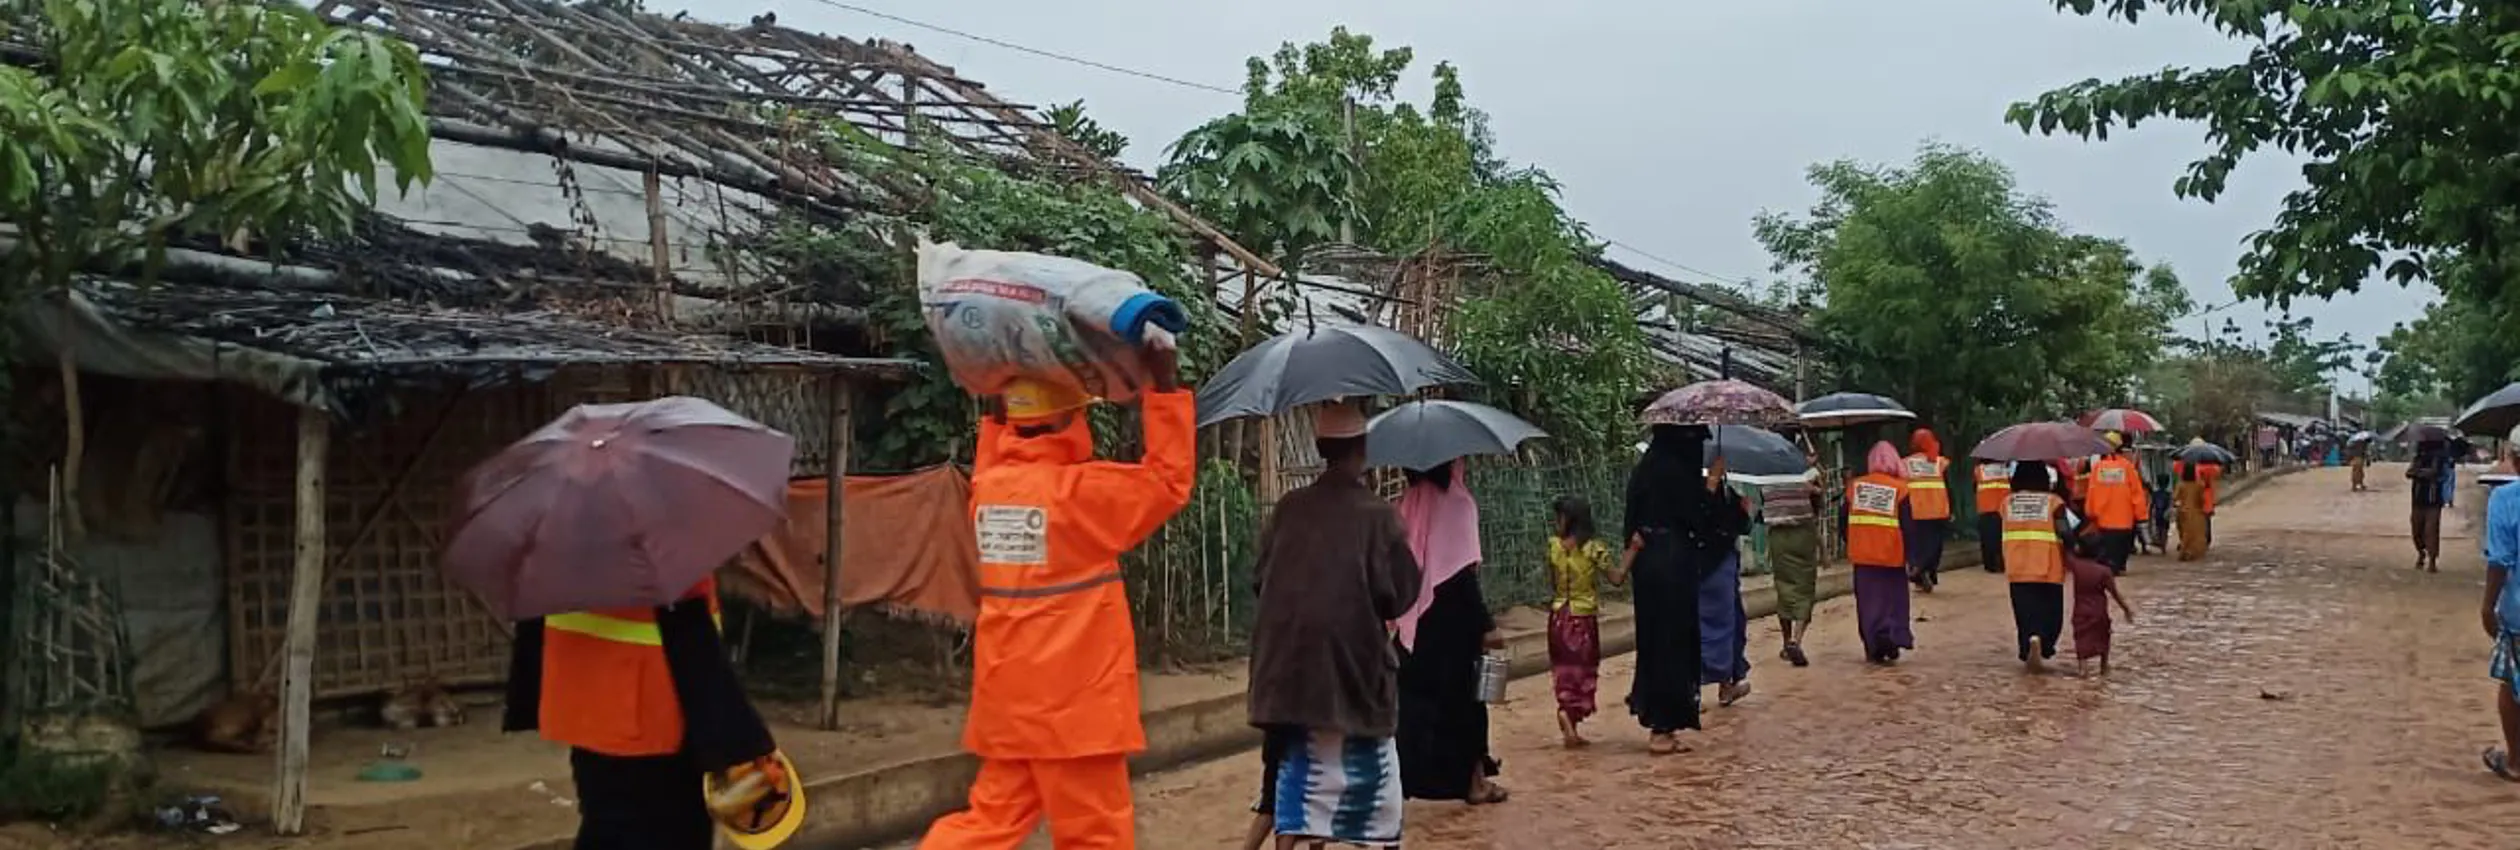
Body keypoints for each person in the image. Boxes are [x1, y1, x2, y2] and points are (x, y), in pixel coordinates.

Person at [922, 351, 1194, 849]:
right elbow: (1168, 481)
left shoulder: (989, 489)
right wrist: (1165, 385)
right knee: (1095, 836)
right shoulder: (1080, 495)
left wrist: (997, 396)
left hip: (1008, 699)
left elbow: (994, 451)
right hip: (1075, 708)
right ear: (1072, 418)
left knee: (986, 825)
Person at [506, 575, 795, 850]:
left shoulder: (558, 533)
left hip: (584, 701)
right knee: (662, 829)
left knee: (607, 823)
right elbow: (688, 624)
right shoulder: (658, 538)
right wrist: (738, 739)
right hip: (651, 710)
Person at [1243, 403, 1420, 849]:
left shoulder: (1288, 508)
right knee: (1379, 797)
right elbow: (1401, 592)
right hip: (1353, 679)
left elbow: (1259, 580)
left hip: (1286, 680)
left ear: (1321, 449)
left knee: (1295, 787)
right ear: (1363, 449)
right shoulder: (1378, 515)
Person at [1394, 461, 1508, 805]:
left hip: (1415, 621)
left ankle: (1400, 786)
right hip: (1455, 623)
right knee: (1467, 705)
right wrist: (1487, 625)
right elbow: (1461, 577)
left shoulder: (1406, 503)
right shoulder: (1458, 502)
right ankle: (1474, 783)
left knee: (1413, 708)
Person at [1622, 424, 1736, 755]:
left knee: (1654, 641)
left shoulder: (1646, 470)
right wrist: (1712, 483)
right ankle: (1663, 726)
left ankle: (1659, 719)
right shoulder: (1677, 472)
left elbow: (1632, 522)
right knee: (1673, 643)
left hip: (1648, 566)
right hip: (1673, 565)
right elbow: (1695, 516)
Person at [1546, 496, 1617, 747]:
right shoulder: (1594, 549)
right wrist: (1634, 551)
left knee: (1563, 668)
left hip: (1557, 617)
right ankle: (1569, 714)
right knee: (1583, 669)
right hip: (1582, 618)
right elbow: (1616, 578)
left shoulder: (1553, 546)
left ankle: (1568, 718)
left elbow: (1553, 583)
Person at [1842, 441, 1916, 665]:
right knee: (1893, 601)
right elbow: (1908, 526)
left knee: (1868, 603)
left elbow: (1843, 522)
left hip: (1863, 556)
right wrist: (1912, 556)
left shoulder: (1855, 487)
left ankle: (1873, 644)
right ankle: (1891, 639)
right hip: (1892, 555)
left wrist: (1853, 542)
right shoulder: (1901, 490)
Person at [2001, 463, 2075, 672]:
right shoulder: (2054, 502)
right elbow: (2066, 532)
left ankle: (2029, 642)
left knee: (2025, 612)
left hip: (2018, 567)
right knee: (2051, 613)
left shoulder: (2007, 503)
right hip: (2048, 566)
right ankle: (2045, 643)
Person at [1698, 457, 1755, 707]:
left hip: (1723, 565)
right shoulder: (1691, 491)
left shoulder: (1728, 492)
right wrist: (1710, 485)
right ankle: (1696, 688)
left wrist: (1743, 511)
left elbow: (1742, 526)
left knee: (1732, 622)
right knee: (1706, 626)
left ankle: (1726, 684)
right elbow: (1694, 521)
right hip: (1704, 567)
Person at [1761, 468, 1825, 667]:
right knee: (1804, 588)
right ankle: (1795, 640)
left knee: (1784, 588)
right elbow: (1818, 501)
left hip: (1777, 537)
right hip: (1802, 534)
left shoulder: (1767, 479)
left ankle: (1785, 641)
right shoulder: (1805, 474)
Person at [2067, 533, 2135, 677]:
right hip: (2099, 612)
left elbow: (2064, 551)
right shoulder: (2104, 572)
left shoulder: (2077, 566)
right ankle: (2104, 666)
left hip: (2080, 611)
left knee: (2081, 638)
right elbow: (2115, 594)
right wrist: (2126, 609)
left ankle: (2082, 668)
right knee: (2103, 638)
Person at [2085, 433, 2149, 575]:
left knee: (2107, 546)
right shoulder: (2127, 467)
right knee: (2122, 546)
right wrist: (2141, 515)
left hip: (2103, 518)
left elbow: (2091, 491)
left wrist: (2090, 512)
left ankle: (2109, 567)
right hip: (2124, 519)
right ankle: (2119, 567)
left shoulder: (2098, 468)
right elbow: (2136, 493)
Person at [1900, 429, 1954, 592]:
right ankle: (1923, 571)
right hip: (1937, 509)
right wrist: (1952, 508)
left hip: (1914, 509)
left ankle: (1919, 571)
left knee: (1917, 544)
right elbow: (1948, 486)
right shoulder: (1939, 462)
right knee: (1934, 544)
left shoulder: (1905, 463)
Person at [2411, 438, 2452, 573]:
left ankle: (2432, 560)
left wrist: (2419, 473)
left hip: (2433, 500)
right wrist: (2423, 473)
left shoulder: (2441, 460)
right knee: (2417, 530)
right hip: (2417, 500)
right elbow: (2409, 472)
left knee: (2431, 531)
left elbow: (2438, 474)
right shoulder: (2418, 458)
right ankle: (2421, 552)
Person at [1974, 460, 2014, 575]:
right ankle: (2002, 563)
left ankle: (1990, 565)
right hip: (2003, 507)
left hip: (1985, 507)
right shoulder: (2005, 470)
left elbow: (1975, 485)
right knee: (2002, 538)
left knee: (1987, 539)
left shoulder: (1979, 470)